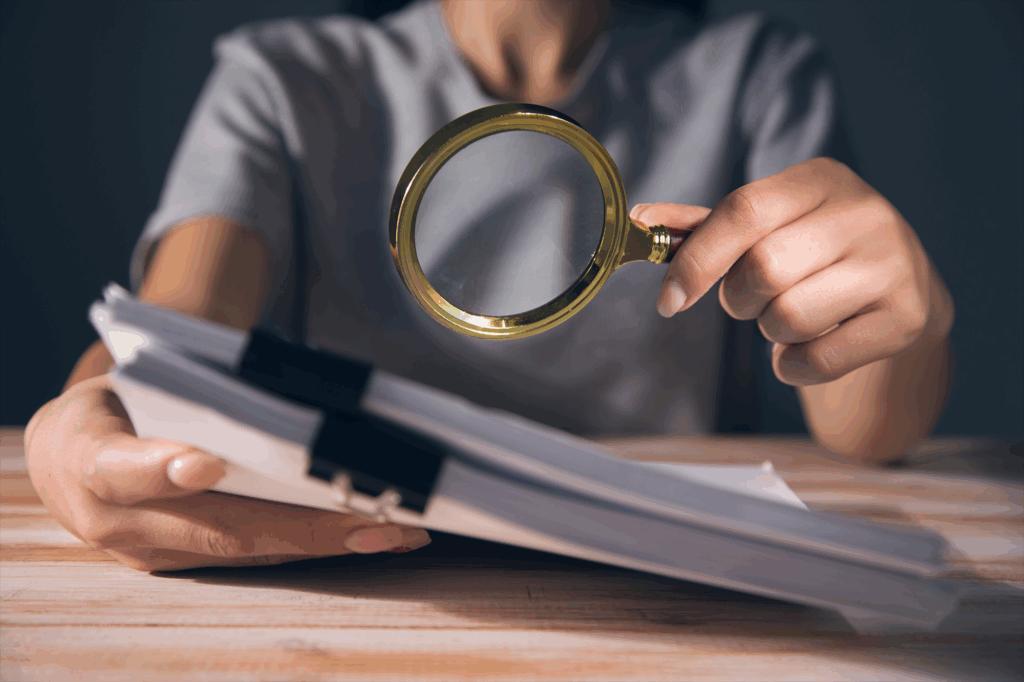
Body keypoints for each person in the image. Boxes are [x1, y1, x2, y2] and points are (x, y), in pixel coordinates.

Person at [24, 0, 954, 572]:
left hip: (667, 588)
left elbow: (869, 427)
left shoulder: (756, 74)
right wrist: (95, 413)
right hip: (370, 583)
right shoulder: (280, 78)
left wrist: (909, 307)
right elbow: (178, 331)